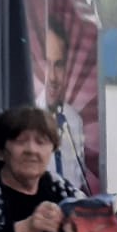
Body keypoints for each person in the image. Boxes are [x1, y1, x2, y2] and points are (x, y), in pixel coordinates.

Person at [34, 16, 90, 193]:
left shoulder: (74, 120)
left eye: (58, 65)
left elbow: (78, 179)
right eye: (47, 64)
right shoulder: (28, 121)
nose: (52, 77)